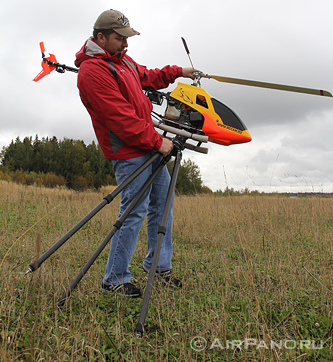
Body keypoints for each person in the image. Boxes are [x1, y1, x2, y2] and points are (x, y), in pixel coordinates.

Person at [75, 9, 197, 297]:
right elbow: (120, 119)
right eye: (120, 39)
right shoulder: (92, 72)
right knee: (133, 211)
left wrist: (179, 71)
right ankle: (114, 279)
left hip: (147, 144)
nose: (126, 44)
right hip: (129, 151)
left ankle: (158, 266)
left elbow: (147, 75)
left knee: (164, 201)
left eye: (127, 38)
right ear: (101, 37)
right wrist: (157, 142)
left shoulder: (122, 60)